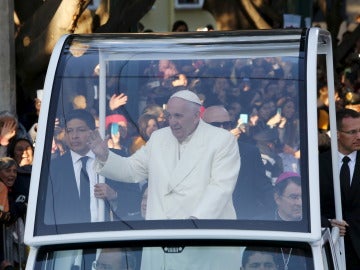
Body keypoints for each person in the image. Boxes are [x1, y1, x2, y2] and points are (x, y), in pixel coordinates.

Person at [89, 90, 240, 220]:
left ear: (195, 116)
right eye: (169, 116)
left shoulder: (221, 140)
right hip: (161, 232)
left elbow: (220, 188)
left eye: (178, 116)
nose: (172, 122)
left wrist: (194, 222)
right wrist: (104, 156)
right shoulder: (159, 137)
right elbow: (132, 170)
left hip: (200, 235)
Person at [45, 109, 119, 224]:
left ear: (94, 133)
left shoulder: (114, 159)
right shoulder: (53, 168)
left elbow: (135, 197)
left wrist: (114, 195)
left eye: (81, 130)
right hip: (70, 237)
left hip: (109, 235)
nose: (74, 136)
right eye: (69, 131)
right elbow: (48, 212)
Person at [202, 105, 275, 219]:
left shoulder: (249, 152)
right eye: (215, 125)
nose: (222, 129)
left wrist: (281, 211)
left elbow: (263, 187)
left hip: (240, 221)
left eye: (226, 125)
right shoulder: (191, 153)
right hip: (203, 221)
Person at [319, 108, 360, 269]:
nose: (359, 136)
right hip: (328, 248)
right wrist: (327, 223)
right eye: (352, 132)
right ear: (336, 134)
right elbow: (308, 206)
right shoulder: (317, 164)